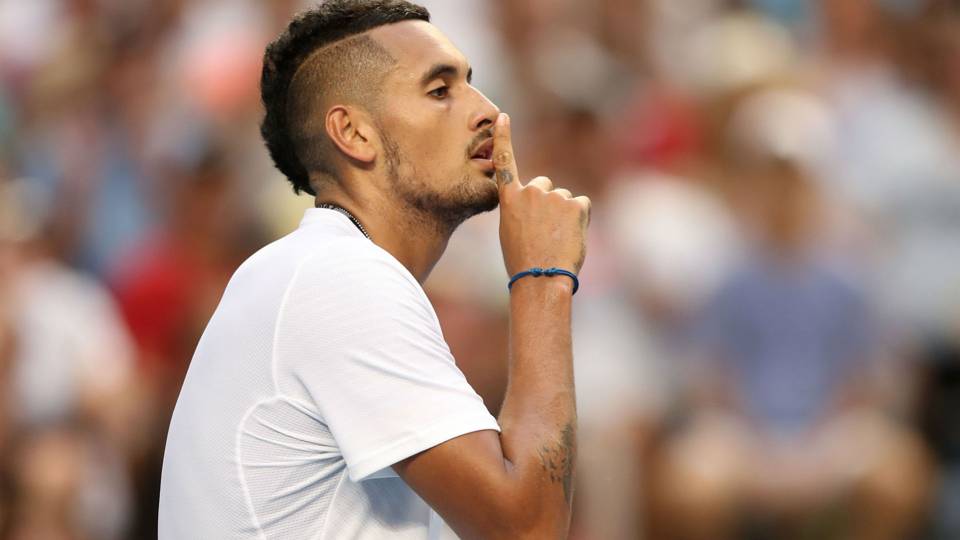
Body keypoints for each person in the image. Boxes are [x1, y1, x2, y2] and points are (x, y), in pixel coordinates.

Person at [157, 1, 591, 538]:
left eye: (472, 83)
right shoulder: (337, 278)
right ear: (354, 133)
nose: (489, 112)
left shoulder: (318, 269)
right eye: (440, 90)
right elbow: (530, 527)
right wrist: (542, 277)